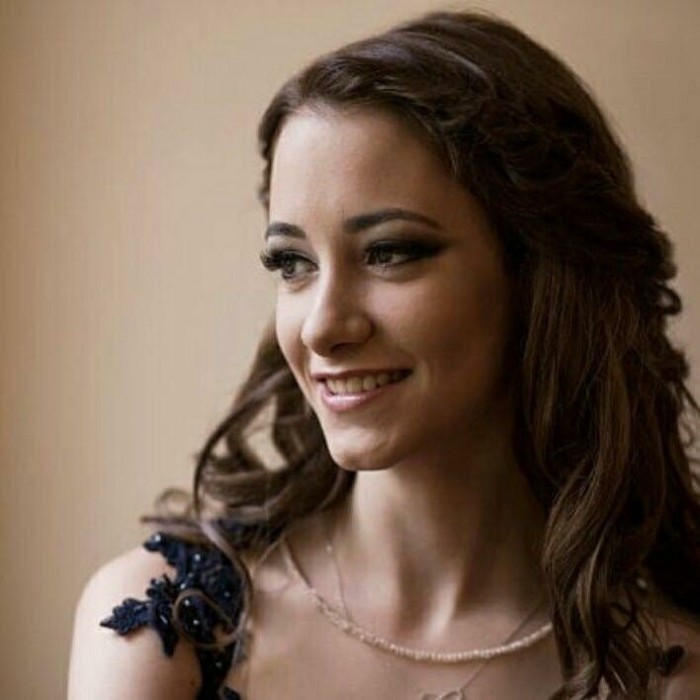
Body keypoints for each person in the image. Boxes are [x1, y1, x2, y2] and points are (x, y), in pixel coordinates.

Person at [68, 10, 700, 700]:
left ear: (540, 275)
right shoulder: (166, 628)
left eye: (390, 252)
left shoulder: (666, 671)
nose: (321, 328)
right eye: (292, 263)